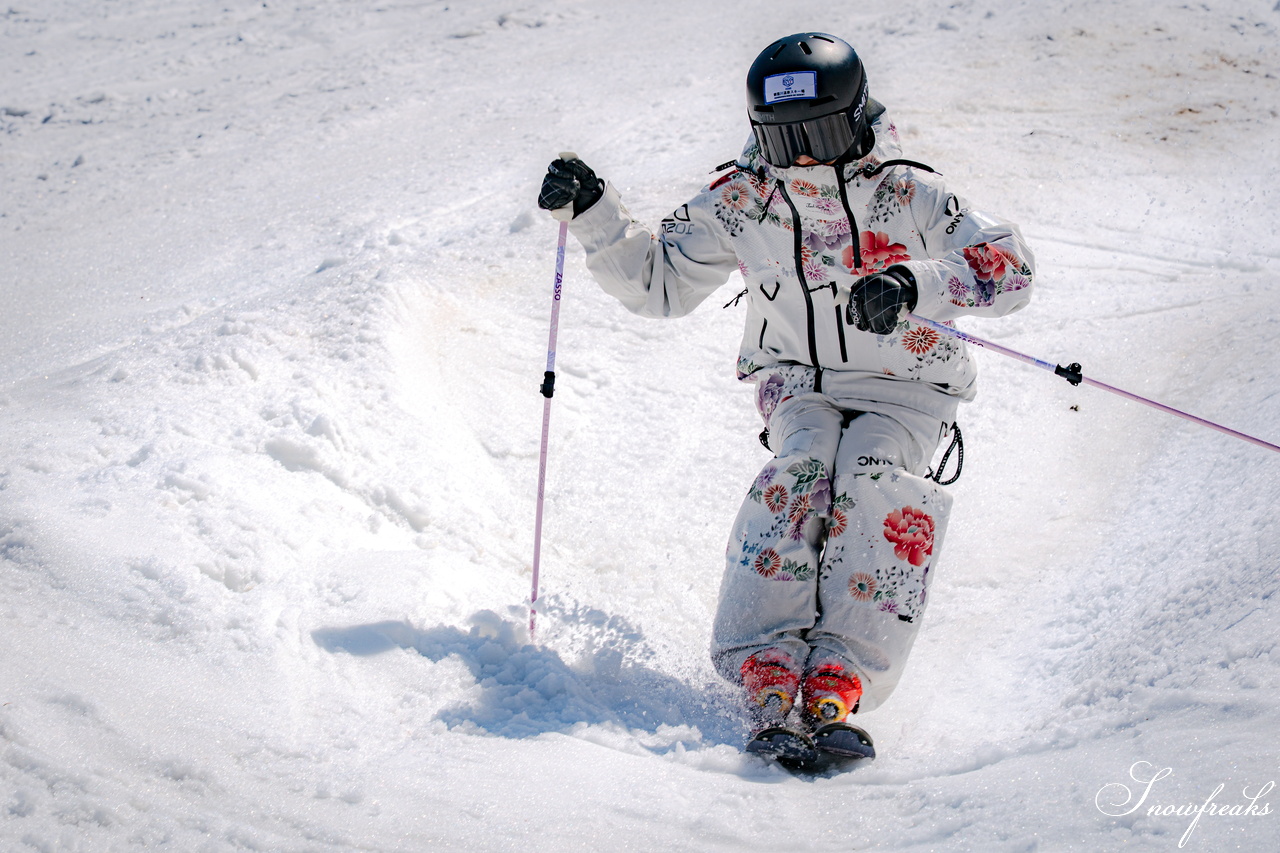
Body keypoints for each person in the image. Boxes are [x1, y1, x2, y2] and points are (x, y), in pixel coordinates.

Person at [537, 32, 1033, 756]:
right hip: (798, 384)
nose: (802, 159)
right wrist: (595, 215)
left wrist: (913, 284)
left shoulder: (907, 192)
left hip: (907, 388)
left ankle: (842, 665)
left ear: (857, 120)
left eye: (820, 136)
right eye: (782, 140)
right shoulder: (743, 200)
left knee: (871, 476)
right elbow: (659, 282)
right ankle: (767, 658)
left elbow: (1009, 266)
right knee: (799, 474)